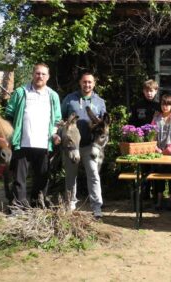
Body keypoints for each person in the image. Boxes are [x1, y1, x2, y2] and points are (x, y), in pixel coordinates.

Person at [5, 63, 62, 209]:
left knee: (42, 177)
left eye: (43, 74)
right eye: (37, 73)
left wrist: (55, 135)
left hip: (44, 144)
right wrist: (9, 136)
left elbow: (56, 119)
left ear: (48, 77)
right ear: (33, 74)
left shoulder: (53, 96)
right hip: (22, 142)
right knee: (19, 178)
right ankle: (18, 207)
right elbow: (9, 115)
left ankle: (37, 206)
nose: (40, 76)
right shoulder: (20, 92)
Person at [60, 72, 106, 219]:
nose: (87, 85)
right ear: (80, 82)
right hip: (72, 147)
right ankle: (70, 205)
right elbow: (59, 119)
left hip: (90, 145)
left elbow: (104, 125)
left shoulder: (99, 101)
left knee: (93, 175)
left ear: (94, 84)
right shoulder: (70, 99)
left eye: (90, 82)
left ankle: (97, 206)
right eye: (84, 82)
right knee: (70, 176)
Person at [151, 94, 171, 210]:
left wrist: (168, 150)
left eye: (168, 104)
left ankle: (170, 200)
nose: (165, 106)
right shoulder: (156, 118)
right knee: (159, 176)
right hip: (158, 153)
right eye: (163, 104)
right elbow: (151, 136)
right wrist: (158, 150)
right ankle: (159, 201)